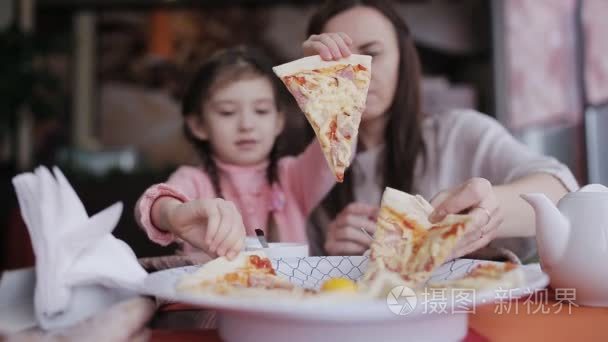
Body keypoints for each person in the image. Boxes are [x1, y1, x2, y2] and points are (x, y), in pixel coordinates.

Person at [304, 0, 579, 262]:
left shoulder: (458, 133)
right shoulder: (308, 173)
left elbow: (563, 193)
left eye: (372, 53)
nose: (358, 72)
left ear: (403, 59)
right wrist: (335, 259)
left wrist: (488, 209)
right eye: (336, 63)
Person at [134, 46, 339, 260]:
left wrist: (330, 75)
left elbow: (335, 146)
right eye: (227, 112)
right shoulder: (194, 181)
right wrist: (172, 214)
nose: (247, 124)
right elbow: (146, 209)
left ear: (279, 121)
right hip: (212, 292)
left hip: (288, 294)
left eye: (261, 111)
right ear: (198, 125)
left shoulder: (292, 176)